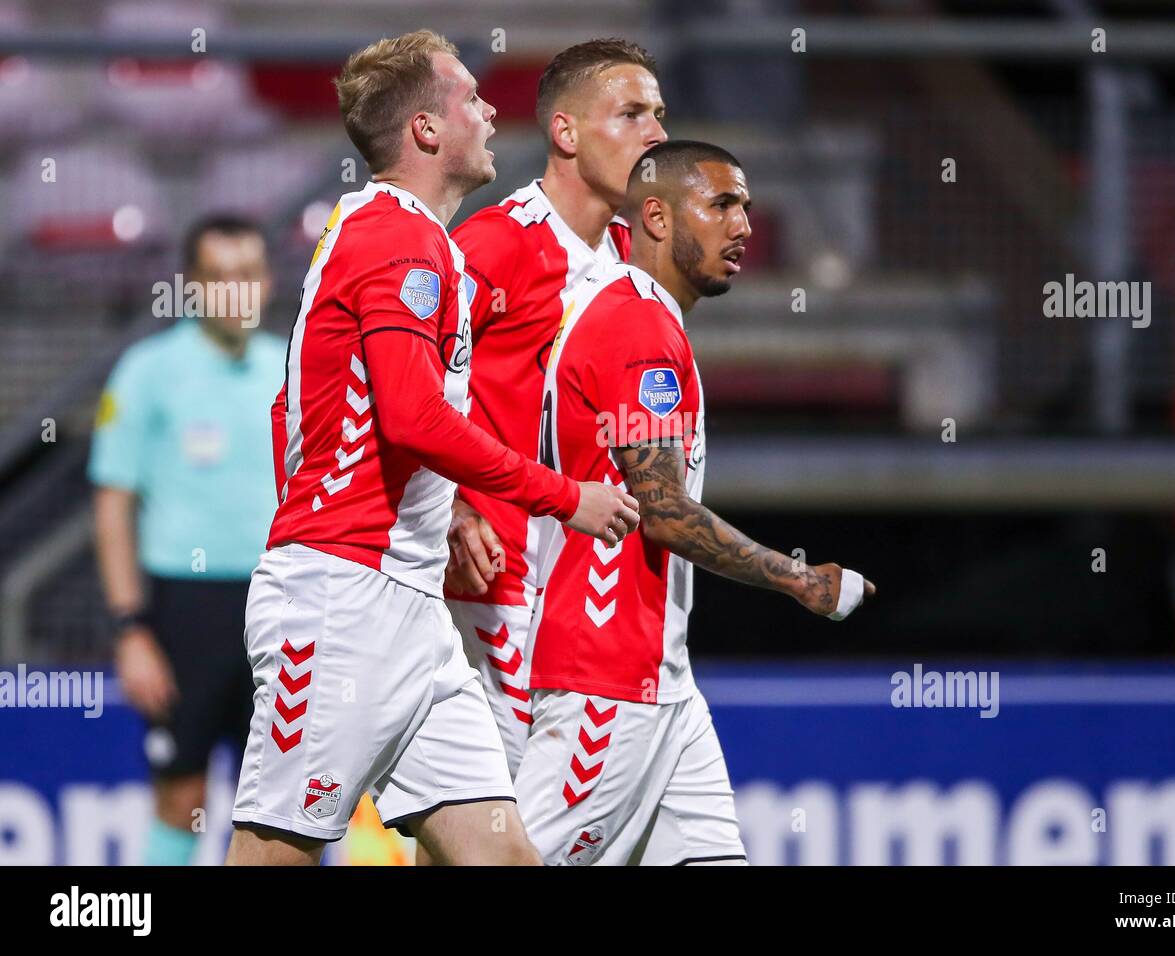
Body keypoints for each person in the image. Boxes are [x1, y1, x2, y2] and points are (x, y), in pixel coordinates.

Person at [225, 29, 638, 866]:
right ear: (425, 130)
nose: (491, 112)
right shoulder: (399, 238)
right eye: (470, 99)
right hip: (344, 605)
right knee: (273, 857)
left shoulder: (396, 236)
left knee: (501, 856)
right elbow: (413, 418)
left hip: (408, 610)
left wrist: (439, 510)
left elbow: (290, 411)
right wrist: (564, 496)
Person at [514, 141, 872, 865]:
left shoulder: (634, 315)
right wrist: (797, 578)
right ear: (655, 216)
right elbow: (664, 511)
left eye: (744, 205)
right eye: (720, 204)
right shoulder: (638, 327)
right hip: (606, 681)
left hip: (662, 682)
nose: (742, 224)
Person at [442, 38, 666, 777]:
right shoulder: (494, 246)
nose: (656, 134)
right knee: (503, 824)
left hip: (593, 594)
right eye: (631, 113)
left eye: (660, 114)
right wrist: (448, 509)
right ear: (565, 133)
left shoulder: (636, 262)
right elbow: (401, 384)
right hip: (499, 577)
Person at [90, 214, 284, 865]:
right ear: (193, 286)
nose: (238, 291)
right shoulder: (147, 372)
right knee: (182, 794)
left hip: (281, 606)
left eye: (249, 275)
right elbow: (114, 502)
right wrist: (131, 628)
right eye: (221, 277)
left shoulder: (293, 367)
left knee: (285, 807)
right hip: (184, 612)